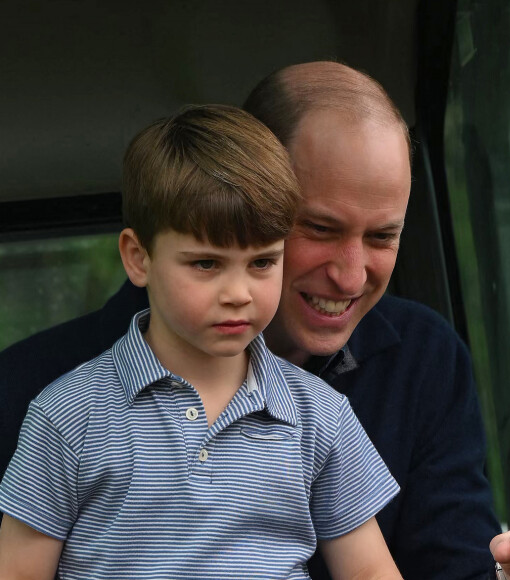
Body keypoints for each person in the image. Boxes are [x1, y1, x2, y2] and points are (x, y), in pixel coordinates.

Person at [1, 61, 510, 579]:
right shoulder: (46, 402)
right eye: (321, 229)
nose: (351, 278)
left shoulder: (385, 383)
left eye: (382, 236)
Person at [0, 104, 403, 579]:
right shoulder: (68, 414)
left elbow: (371, 572)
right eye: (206, 264)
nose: (238, 294)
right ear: (138, 258)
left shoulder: (321, 416)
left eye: (262, 263)